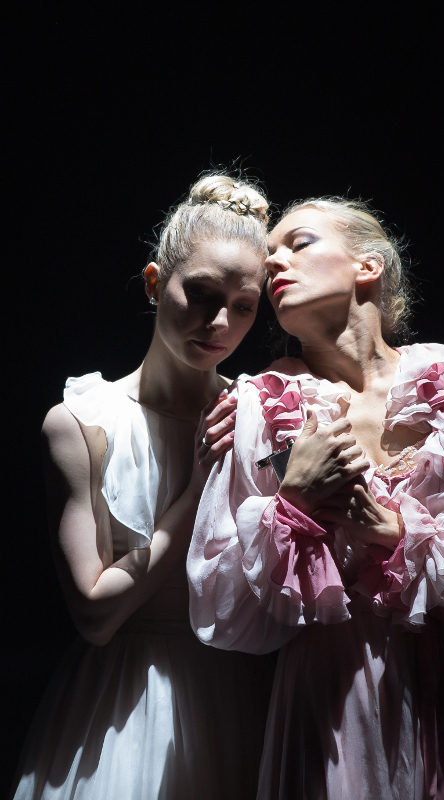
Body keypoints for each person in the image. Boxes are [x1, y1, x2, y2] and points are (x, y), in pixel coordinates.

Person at [187, 197, 444, 799]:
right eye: (268, 256)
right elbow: (222, 603)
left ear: (369, 265)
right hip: (334, 693)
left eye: (298, 243)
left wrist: (403, 534)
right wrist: (292, 506)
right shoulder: (263, 405)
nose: (275, 262)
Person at [11, 174, 277, 800]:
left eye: (243, 306)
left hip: (243, 697)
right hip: (127, 708)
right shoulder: (84, 422)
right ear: (156, 281)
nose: (220, 322)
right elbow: (95, 615)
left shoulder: (265, 416)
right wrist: (195, 493)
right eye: (202, 293)